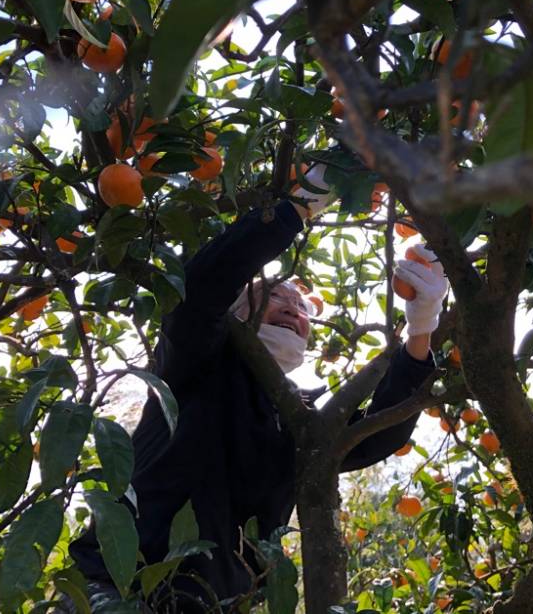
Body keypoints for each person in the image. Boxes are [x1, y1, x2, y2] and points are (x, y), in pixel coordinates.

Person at [65, 165, 449, 612]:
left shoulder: (301, 418)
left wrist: (420, 331)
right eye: (274, 297)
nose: (292, 309)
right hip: (121, 590)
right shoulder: (195, 366)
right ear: (237, 313)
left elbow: (378, 435)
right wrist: (296, 207)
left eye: (302, 308)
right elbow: (199, 294)